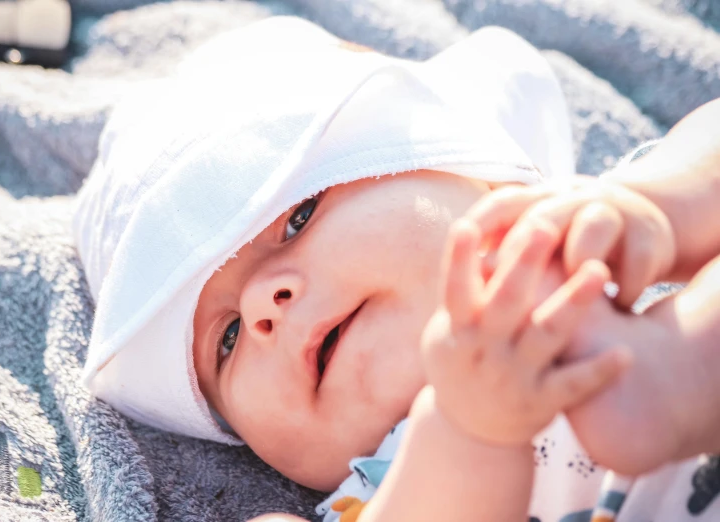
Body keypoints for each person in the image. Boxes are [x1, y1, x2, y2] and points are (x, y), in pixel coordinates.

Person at [71, 16, 720, 522]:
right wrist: (467, 428)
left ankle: (680, 367)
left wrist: (661, 203)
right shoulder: (380, 493)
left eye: (297, 218)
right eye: (227, 339)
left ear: (462, 167)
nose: (267, 302)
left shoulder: (593, 230)